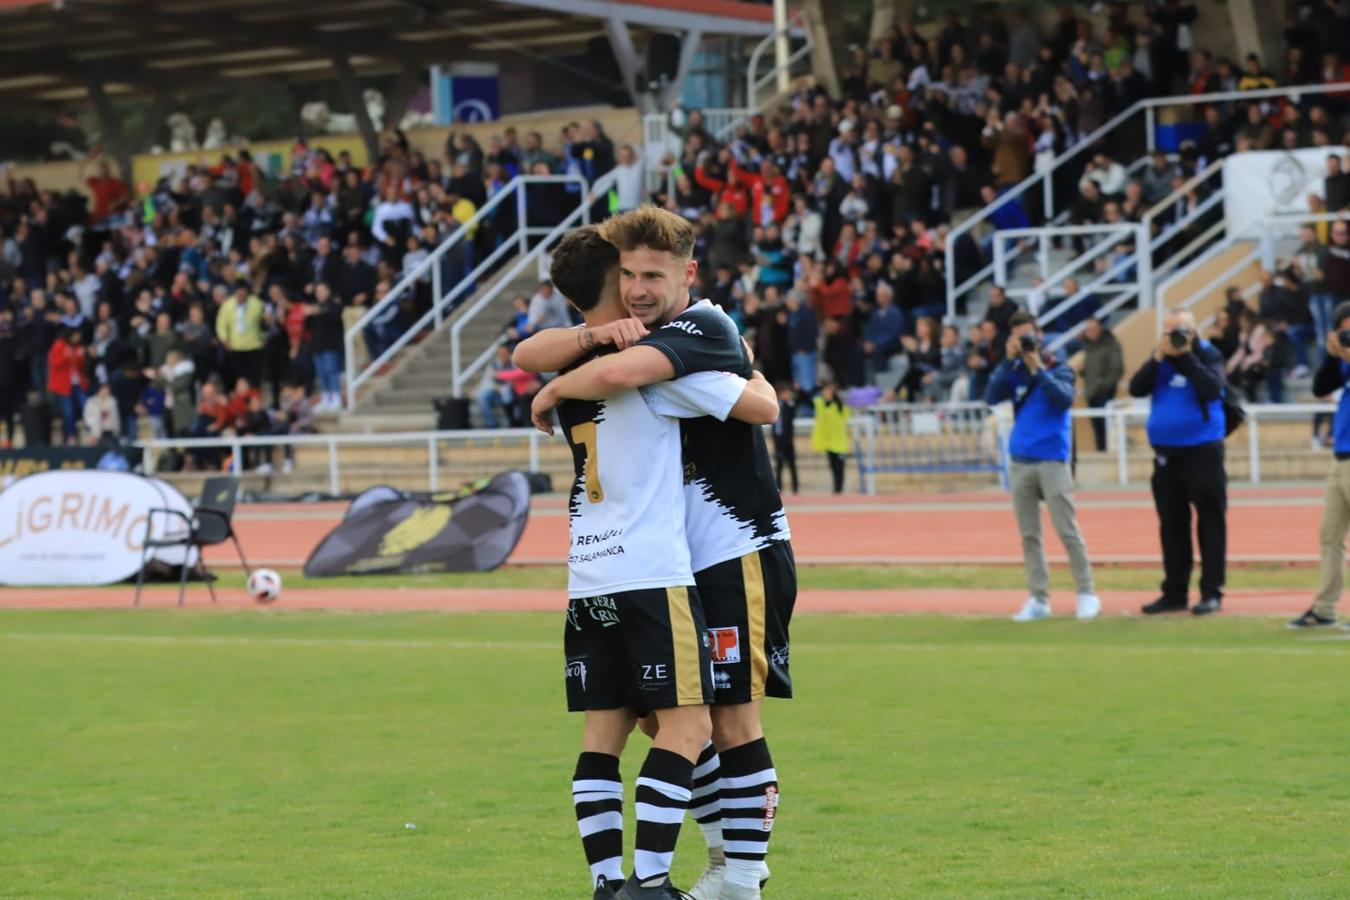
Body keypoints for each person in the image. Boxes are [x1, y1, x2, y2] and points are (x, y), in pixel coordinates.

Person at [522, 208, 795, 900]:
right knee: (664, 720)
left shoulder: (698, 330)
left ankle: (739, 877)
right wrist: (579, 352)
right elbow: (536, 352)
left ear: (687, 274)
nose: (639, 289)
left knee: (727, 719)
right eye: (629, 275)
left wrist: (555, 386)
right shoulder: (627, 344)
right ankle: (718, 863)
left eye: (653, 275)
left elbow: (763, 407)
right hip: (670, 562)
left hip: (735, 548)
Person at [985, 311, 1100, 621]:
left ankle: (1086, 593)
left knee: (1067, 530)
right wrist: (1006, 362)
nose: (1025, 342)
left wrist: (1037, 368)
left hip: (1052, 460)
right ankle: (1038, 599)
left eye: (1028, 336)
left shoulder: (1058, 368)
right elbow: (991, 396)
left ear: (1039, 336)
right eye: (1018, 337)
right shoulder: (1013, 371)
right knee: (1029, 535)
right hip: (1021, 460)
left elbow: (1062, 400)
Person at [1128, 310, 1229, 616]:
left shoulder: (1208, 355)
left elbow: (1212, 389)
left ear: (1194, 331)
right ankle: (1174, 592)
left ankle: (1211, 592)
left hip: (1202, 451)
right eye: (1169, 331)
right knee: (1172, 525)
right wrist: (1157, 357)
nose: (1175, 337)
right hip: (1166, 455)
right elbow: (1136, 388)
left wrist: (1185, 357)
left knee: (1210, 522)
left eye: (1181, 331)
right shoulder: (1159, 358)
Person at [1290, 304, 1350, 628]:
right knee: (1330, 535)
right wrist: (1332, 355)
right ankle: (1325, 608)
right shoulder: (1342, 360)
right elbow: (1320, 388)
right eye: (1345, 331)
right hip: (1340, 457)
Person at [1080, 318, 1124, 452]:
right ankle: (1101, 452)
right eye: (1087, 330)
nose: (1090, 332)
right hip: (1091, 392)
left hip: (1104, 392)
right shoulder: (1089, 346)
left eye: (1092, 329)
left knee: (1105, 425)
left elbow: (1117, 368)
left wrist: (1104, 385)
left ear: (1100, 329)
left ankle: (1107, 453)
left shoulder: (1111, 344)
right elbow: (1092, 369)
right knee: (1097, 426)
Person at [812, 381, 849, 494]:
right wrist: (817, 386)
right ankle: (836, 490)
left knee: (840, 468)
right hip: (828, 443)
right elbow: (807, 398)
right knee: (833, 467)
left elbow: (844, 410)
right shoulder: (820, 403)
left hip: (840, 443)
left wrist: (834, 395)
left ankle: (839, 490)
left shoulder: (839, 405)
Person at [773, 383, 798, 494]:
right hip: (778, 440)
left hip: (788, 440)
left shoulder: (790, 405)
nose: (788, 395)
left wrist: (797, 390)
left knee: (792, 464)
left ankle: (795, 489)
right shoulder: (775, 405)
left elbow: (799, 402)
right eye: (786, 393)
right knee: (779, 465)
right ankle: (779, 488)